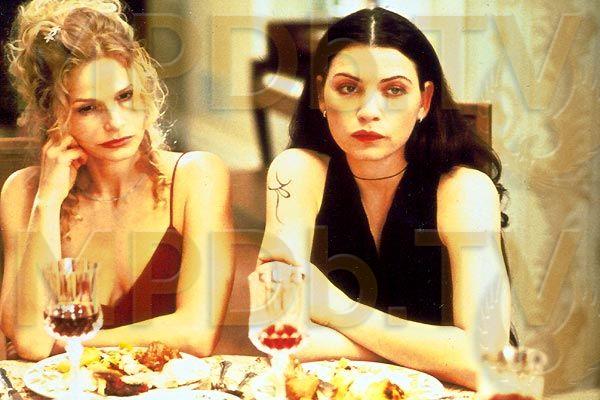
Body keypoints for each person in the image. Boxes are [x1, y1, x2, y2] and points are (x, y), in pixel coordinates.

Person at [256, 7, 511, 389]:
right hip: (335, 390)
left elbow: (488, 362)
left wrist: (337, 309)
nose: (369, 111)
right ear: (321, 95)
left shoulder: (464, 189)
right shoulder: (295, 172)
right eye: (348, 88)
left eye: (394, 90)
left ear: (424, 101)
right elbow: (280, 333)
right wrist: (440, 352)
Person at [0, 0, 234, 360]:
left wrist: (68, 340)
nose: (116, 122)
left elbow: (197, 334)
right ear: (51, 114)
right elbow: (31, 341)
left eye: (125, 96)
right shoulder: (24, 192)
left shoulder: (197, 177)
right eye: (87, 108)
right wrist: (47, 201)